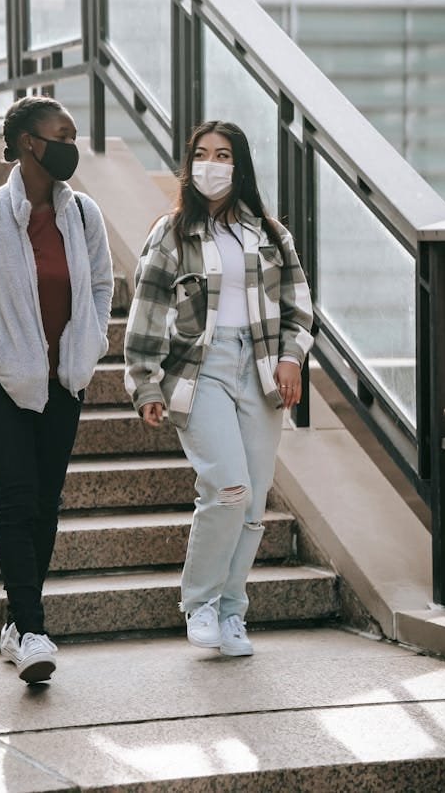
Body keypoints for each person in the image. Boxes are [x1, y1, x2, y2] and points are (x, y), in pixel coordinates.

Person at [0, 96, 113, 683]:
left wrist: (88, 347)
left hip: (64, 381)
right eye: (63, 133)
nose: (73, 143)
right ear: (30, 142)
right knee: (17, 499)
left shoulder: (84, 214)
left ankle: (18, 622)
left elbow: (102, 288)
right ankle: (34, 629)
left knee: (46, 502)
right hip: (2, 385)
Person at [124, 120, 313, 658]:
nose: (212, 163)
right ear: (190, 166)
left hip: (261, 371)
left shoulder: (271, 235)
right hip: (198, 369)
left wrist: (291, 359)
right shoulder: (171, 232)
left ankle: (233, 611)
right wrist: (146, 383)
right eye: (202, 154)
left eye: (224, 154)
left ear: (240, 164)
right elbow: (146, 313)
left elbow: (299, 311)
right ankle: (200, 602)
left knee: (252, 502)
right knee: (228, 488)